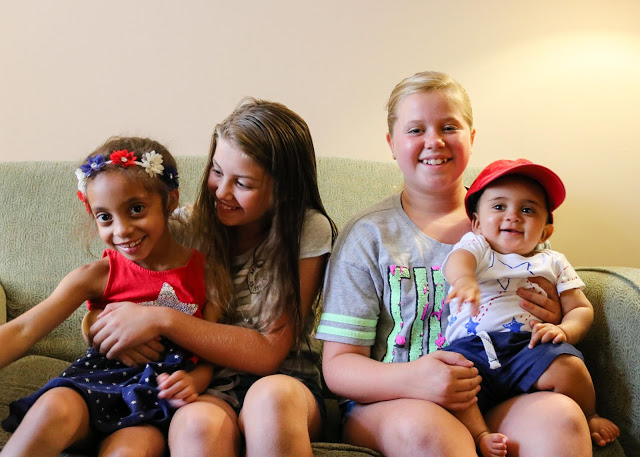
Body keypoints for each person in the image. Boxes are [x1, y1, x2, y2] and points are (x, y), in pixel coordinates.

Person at [316, 71, 594, 457]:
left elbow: (561, 296)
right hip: (393, 401)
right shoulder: (369, 236)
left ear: (471, 138)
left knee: (561, 419)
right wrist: (414, 378)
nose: (435, 141)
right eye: (416, 130)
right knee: (430, 432)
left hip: (500, 390)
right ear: (392, 144)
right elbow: (339, 367)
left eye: (449, 127)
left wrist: (556, 315)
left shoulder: (511, 220)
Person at [86, 98, 337, 456]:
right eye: (217, 172)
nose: (221, 192)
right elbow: (111, 288)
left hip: (284, 384)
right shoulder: (186, 227)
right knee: (197, 425)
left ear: (283, 190)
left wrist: (162, 318)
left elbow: (268, 352)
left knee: (271, 400)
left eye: (243, 183)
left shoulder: (306, 229)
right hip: (204, 386)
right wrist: (99, 324)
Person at [0, 137, 217, 457]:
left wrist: (196, 380)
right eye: (105, 217)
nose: (122, 230)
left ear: (170, 201)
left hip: (152, 401)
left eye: (136, 209)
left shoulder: (208, 273)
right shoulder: (96, 275)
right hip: (92, 386)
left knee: (129, 451)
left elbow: (213, 347)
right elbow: (23, 329)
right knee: (53, 406)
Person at [441, 158, 619, 456]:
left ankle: (589, 414)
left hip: (529, 345)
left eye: (527, 210)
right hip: (472, 347)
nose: (513, 216)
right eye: (499, 206)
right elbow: (459, 261)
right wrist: (464, 280)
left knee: (570, 367)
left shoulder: (553, 261)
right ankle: (480, 433)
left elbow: (580, 308)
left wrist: (565, 330)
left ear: (546, 232)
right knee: (452, 382)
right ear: (477, 223)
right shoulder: (478, 248)